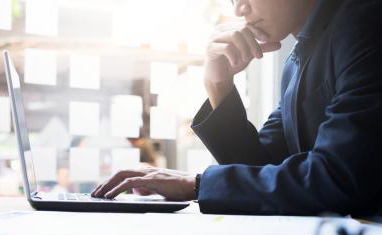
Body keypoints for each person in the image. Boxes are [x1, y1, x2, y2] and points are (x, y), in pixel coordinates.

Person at [92, 0, 382, 217]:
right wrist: (218, 85)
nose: (240, 8)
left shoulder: (365, 23)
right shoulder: (298, 61)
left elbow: (340, 178)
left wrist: (196, 184)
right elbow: (260, 166)